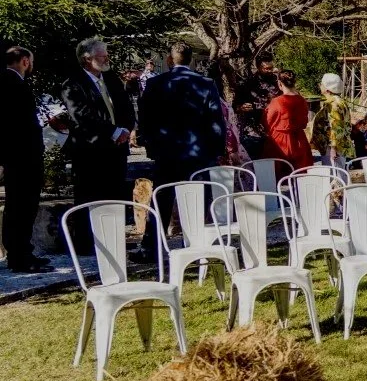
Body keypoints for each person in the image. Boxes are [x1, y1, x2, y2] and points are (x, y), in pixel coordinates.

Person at [137, 42, 226, 260]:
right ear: (191, 61)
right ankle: (197, 243)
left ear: (170, 60)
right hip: (198, 151)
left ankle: (151, 247)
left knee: (162, 199)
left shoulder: (155, 83)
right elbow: (216, 119)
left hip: (166, 152)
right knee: (197, 199)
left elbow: (145, 118)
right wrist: (217, 149)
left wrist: (150, 146)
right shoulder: (205, 83)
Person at [60, 37, 135, 251]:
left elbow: (125, 106)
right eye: (103, 56)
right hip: (90, 150)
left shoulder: (110, 79)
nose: (107, 59)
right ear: (87, 59)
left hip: (116, 149)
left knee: (116, 194)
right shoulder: (73, 84)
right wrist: (112, 131)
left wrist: (125, 129)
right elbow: (82, 116)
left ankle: (115, 238)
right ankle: (86, 243)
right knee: (89, 195)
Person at [1, 47, 47, 272]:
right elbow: (20, 125)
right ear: (25, 61)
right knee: (22, 207)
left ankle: (20, 252)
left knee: (17, 206)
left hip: (16, 156)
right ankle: (20, 256)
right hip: (23, 156)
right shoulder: (15, 84)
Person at [262, 69, 314, 170]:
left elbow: (266, 121)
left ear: (280, 83)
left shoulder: (277, 102)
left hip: (279, 142)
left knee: (277, 176)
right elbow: (304, 121)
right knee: (299, 174)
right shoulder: (302, 100)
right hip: (299, 140)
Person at [233, 53, 279, 158]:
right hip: (254, 132)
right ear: (258, 67)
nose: (269, 71)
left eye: (271, 68)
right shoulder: (247, 83)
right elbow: (235, 106)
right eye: (266, 68)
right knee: (255, 165)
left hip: (275, 130)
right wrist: (241, 108)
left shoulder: (278, 82)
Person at [310, 73, 355, 169]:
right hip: (338, 145)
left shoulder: (333, 104)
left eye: (321, 84)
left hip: (332, 147)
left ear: (327, 89)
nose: (320, 85)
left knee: (334, 175)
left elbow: (336, 127)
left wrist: (333, 148)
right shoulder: (339, 101)